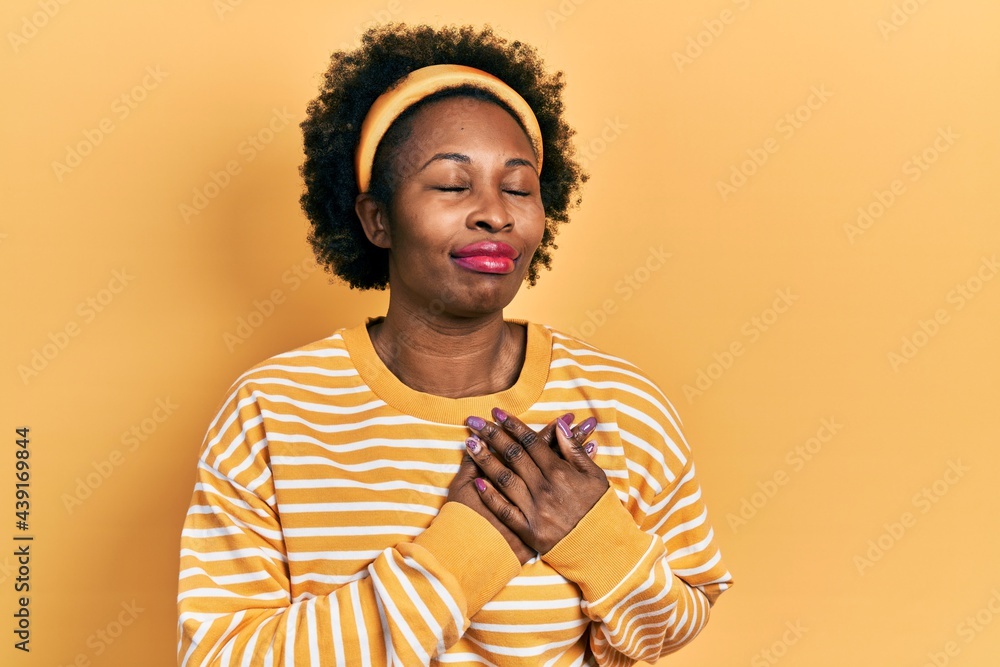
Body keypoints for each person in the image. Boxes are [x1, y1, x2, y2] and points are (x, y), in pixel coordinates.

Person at [177, 22, 733, 666]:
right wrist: (466, 550)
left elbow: (683, 613)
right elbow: (219, 658)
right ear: (377, 219)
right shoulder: (273, 410)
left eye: (518, 188)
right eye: (451, 184)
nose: (495, 212)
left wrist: (594, 535)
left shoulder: (620, 403)